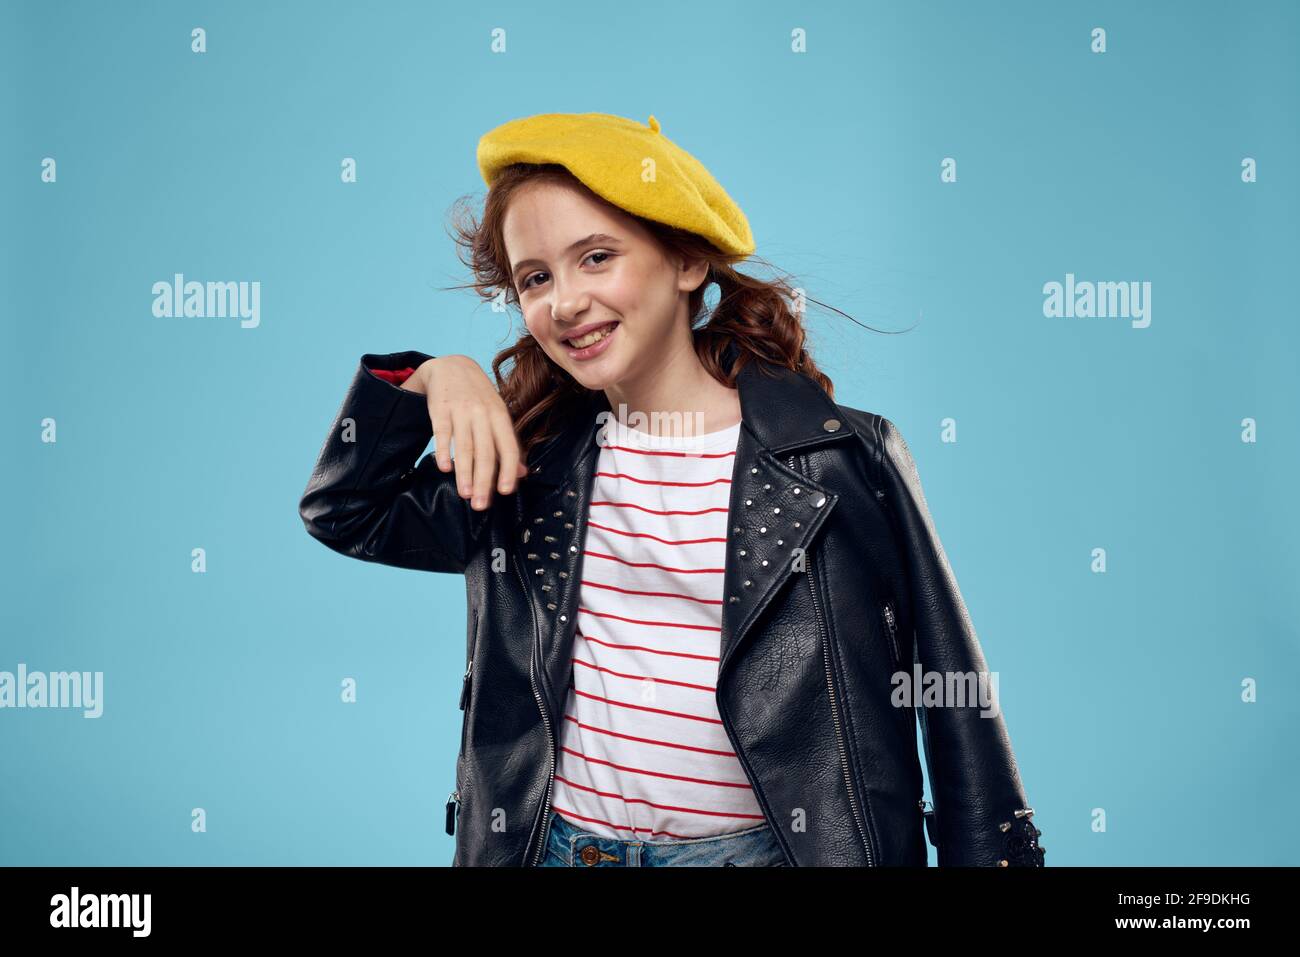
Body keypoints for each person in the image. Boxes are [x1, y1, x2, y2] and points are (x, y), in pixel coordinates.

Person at [299, 112, 1045, 868]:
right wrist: (433, 378)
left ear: (687, 262)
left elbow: (955, 693)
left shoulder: (837, 459)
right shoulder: (533, 463)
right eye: (536, 278)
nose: (564, 302)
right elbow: (346, 511)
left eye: (596, 257)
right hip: (559, 850)